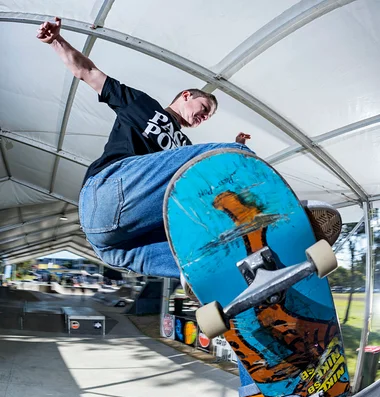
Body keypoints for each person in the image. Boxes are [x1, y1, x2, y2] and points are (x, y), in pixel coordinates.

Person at [37, 18, 341, 288]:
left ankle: (248, 272)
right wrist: (57, 42)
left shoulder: (186, 150)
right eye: (204, 108)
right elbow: (88, 72)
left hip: (113, 243)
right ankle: (286, 213)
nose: (204, 117)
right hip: (106, 193)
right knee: (226, 156)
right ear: (186, 95)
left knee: (205, 252)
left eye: (208, 116)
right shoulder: (142, 105)